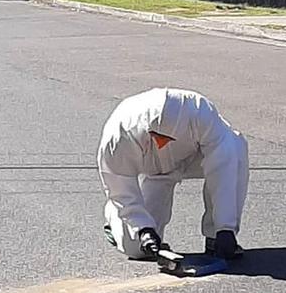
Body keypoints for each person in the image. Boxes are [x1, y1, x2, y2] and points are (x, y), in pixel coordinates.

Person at [96, 87, 249, 260]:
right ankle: (113, 217)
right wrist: (143, 228)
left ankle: (215, 238)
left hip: (193, 157)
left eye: (167, 140)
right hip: (153, 170)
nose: (161, 144)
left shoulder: (201, 113)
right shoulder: (119, 135)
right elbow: (119, 186)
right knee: (137, 248)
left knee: (236, 147)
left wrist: (225, 227)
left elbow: (223, 166)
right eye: (155, 138)